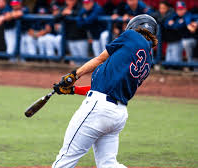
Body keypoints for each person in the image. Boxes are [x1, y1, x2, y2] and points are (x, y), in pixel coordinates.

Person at [52, 14, 158, 168]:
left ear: (135, 26)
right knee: (108, 164)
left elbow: (99, 59)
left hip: (98, 109)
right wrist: (73, 90)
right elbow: (106, 87)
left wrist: (74, 75)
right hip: (117, 115)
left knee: (65, 159)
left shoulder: (131, 36)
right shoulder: (148, 60)